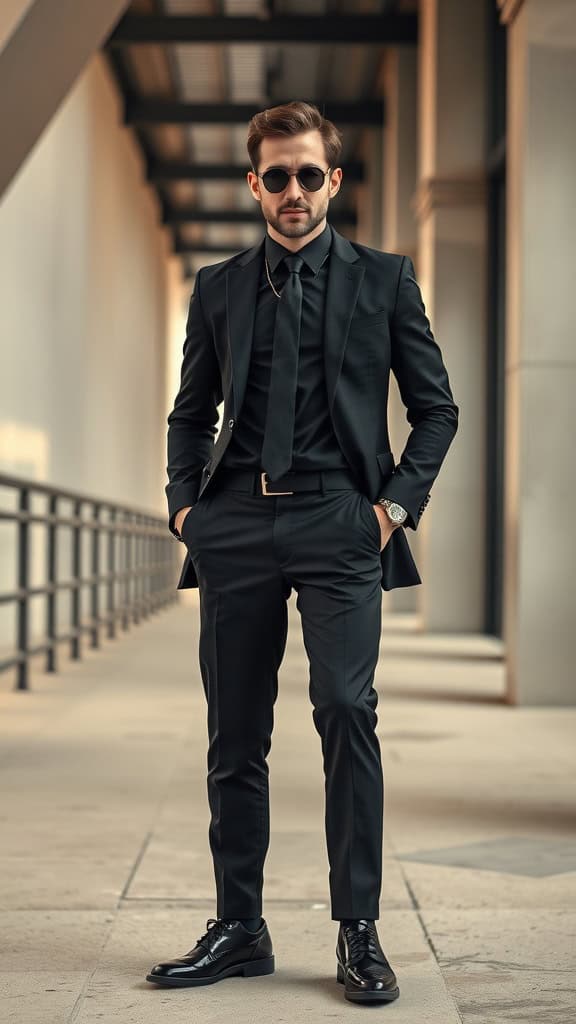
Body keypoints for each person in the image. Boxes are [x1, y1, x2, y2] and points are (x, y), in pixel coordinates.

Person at [146, 101, 458, 1004]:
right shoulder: (218, 286)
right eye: (275, 176)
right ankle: (239, 926)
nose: (292, 191)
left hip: (341, 521)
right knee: (234, 733)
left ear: (335, 180)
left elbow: (437, 408)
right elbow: (190, 411)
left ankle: (357, 929)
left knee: (344, 710)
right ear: (254, 183)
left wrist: (392, 508)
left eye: (308, 175)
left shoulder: (387, 280)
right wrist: (183, 509)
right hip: (236, 522)